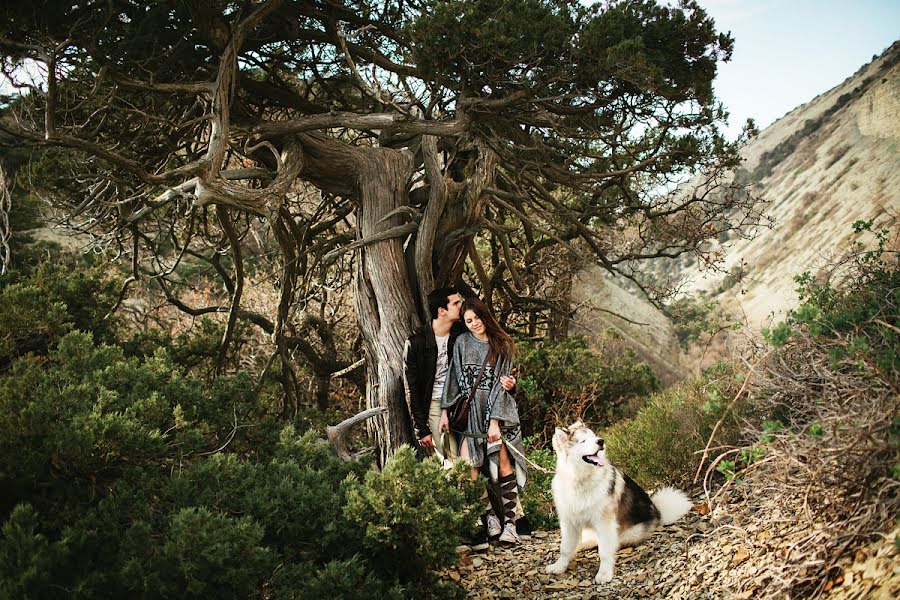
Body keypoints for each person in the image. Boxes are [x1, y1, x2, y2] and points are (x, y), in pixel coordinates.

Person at [439, 297, 528, 547]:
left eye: (477, 318)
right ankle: (491, 519)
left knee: (501, 464)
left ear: (485, 316)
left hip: (494, 412)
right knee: (471, 469)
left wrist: (495, 423)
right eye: (468, 320)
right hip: (470, 415)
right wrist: (445, 411)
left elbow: (502, 388)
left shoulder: (503, 344)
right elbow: (453, 378)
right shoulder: (461, 343)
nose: (474, 323)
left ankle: (511, 524)